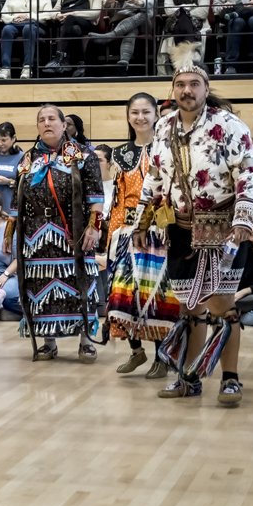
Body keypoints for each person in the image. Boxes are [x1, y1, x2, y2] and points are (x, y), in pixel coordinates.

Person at [131, 44, 253, 405]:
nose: (187, 90)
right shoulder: (164, 126)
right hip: (180, 228)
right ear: (173, 89)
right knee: (188, 307)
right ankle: (189, 377)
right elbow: (155, 177)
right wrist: (141, 220)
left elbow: (247, 173)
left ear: (206, 88)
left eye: (193, 84)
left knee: (222, 304)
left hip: (223, 226)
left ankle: (230, 379)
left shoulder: (228, 125)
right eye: (180, 85)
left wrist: (244, 217)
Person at [8, 105, 104, 360]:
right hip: (36, 234)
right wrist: (10, 234)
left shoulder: (82, 155)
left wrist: (94, 228)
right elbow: (16, 201)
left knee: (80, 283)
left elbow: (96, 196)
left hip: (74, 231)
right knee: (40, 285)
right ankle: (48, 341)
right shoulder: (28, 158)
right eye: (42, 119)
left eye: (52, 119)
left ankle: (86, 340)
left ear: (64, 125)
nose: (47, 123)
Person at [106, 93, 180, 378]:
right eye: (134, 112)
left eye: (146, 112)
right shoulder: (119, 154)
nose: (140, 117)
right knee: (123, 295)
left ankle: (162, 356)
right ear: (128, 116)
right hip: (127, 232)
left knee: (156, 296)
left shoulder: (167, 149)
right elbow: (118, 199)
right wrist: (113, 237)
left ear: (156, 115)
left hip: (159, 231)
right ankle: (136, 351)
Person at [89, 0, 156, 76]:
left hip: (143, 22)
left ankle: (110, 36)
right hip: (124, 20)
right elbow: (106, 1)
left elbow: (151, 0)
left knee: (143, 13)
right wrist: (108, 0)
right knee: (131, 30)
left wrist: (140, 2)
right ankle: (123, 64)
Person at [0, 0, 54, 80]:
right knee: (7, 29)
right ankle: (5, 68)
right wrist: (14, 17)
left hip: (35, 25)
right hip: (15, 24)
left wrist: (29, 16)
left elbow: (48, 14)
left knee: (28, 28)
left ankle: (27, 67)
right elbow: (4, 14)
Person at [48, 0, 103, 77]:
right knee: (75, 29)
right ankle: (80, 64)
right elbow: (53, 11)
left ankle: (60, 57)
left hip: (88, 24)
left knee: (71, 19)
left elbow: (95, 13)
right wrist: (57, 15)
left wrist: (72, 13)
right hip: (67, 24)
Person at [157, 0, 211, 75]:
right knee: (182, 18)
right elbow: (168, 11)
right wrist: (190, 7)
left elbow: (203, 11)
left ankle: (180, 64)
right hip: (174, 23)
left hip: (197, 24)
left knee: (184, 18)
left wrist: (183, 11)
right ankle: (190, 60)